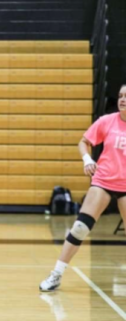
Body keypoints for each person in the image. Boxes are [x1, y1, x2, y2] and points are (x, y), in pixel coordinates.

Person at [39, 85, 126, 291]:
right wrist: (87, 159)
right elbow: (84, 142)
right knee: (80, 228)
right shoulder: (107, 121)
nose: (122, 99)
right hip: (103, 181)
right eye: (121, 95)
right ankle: (56, 274)